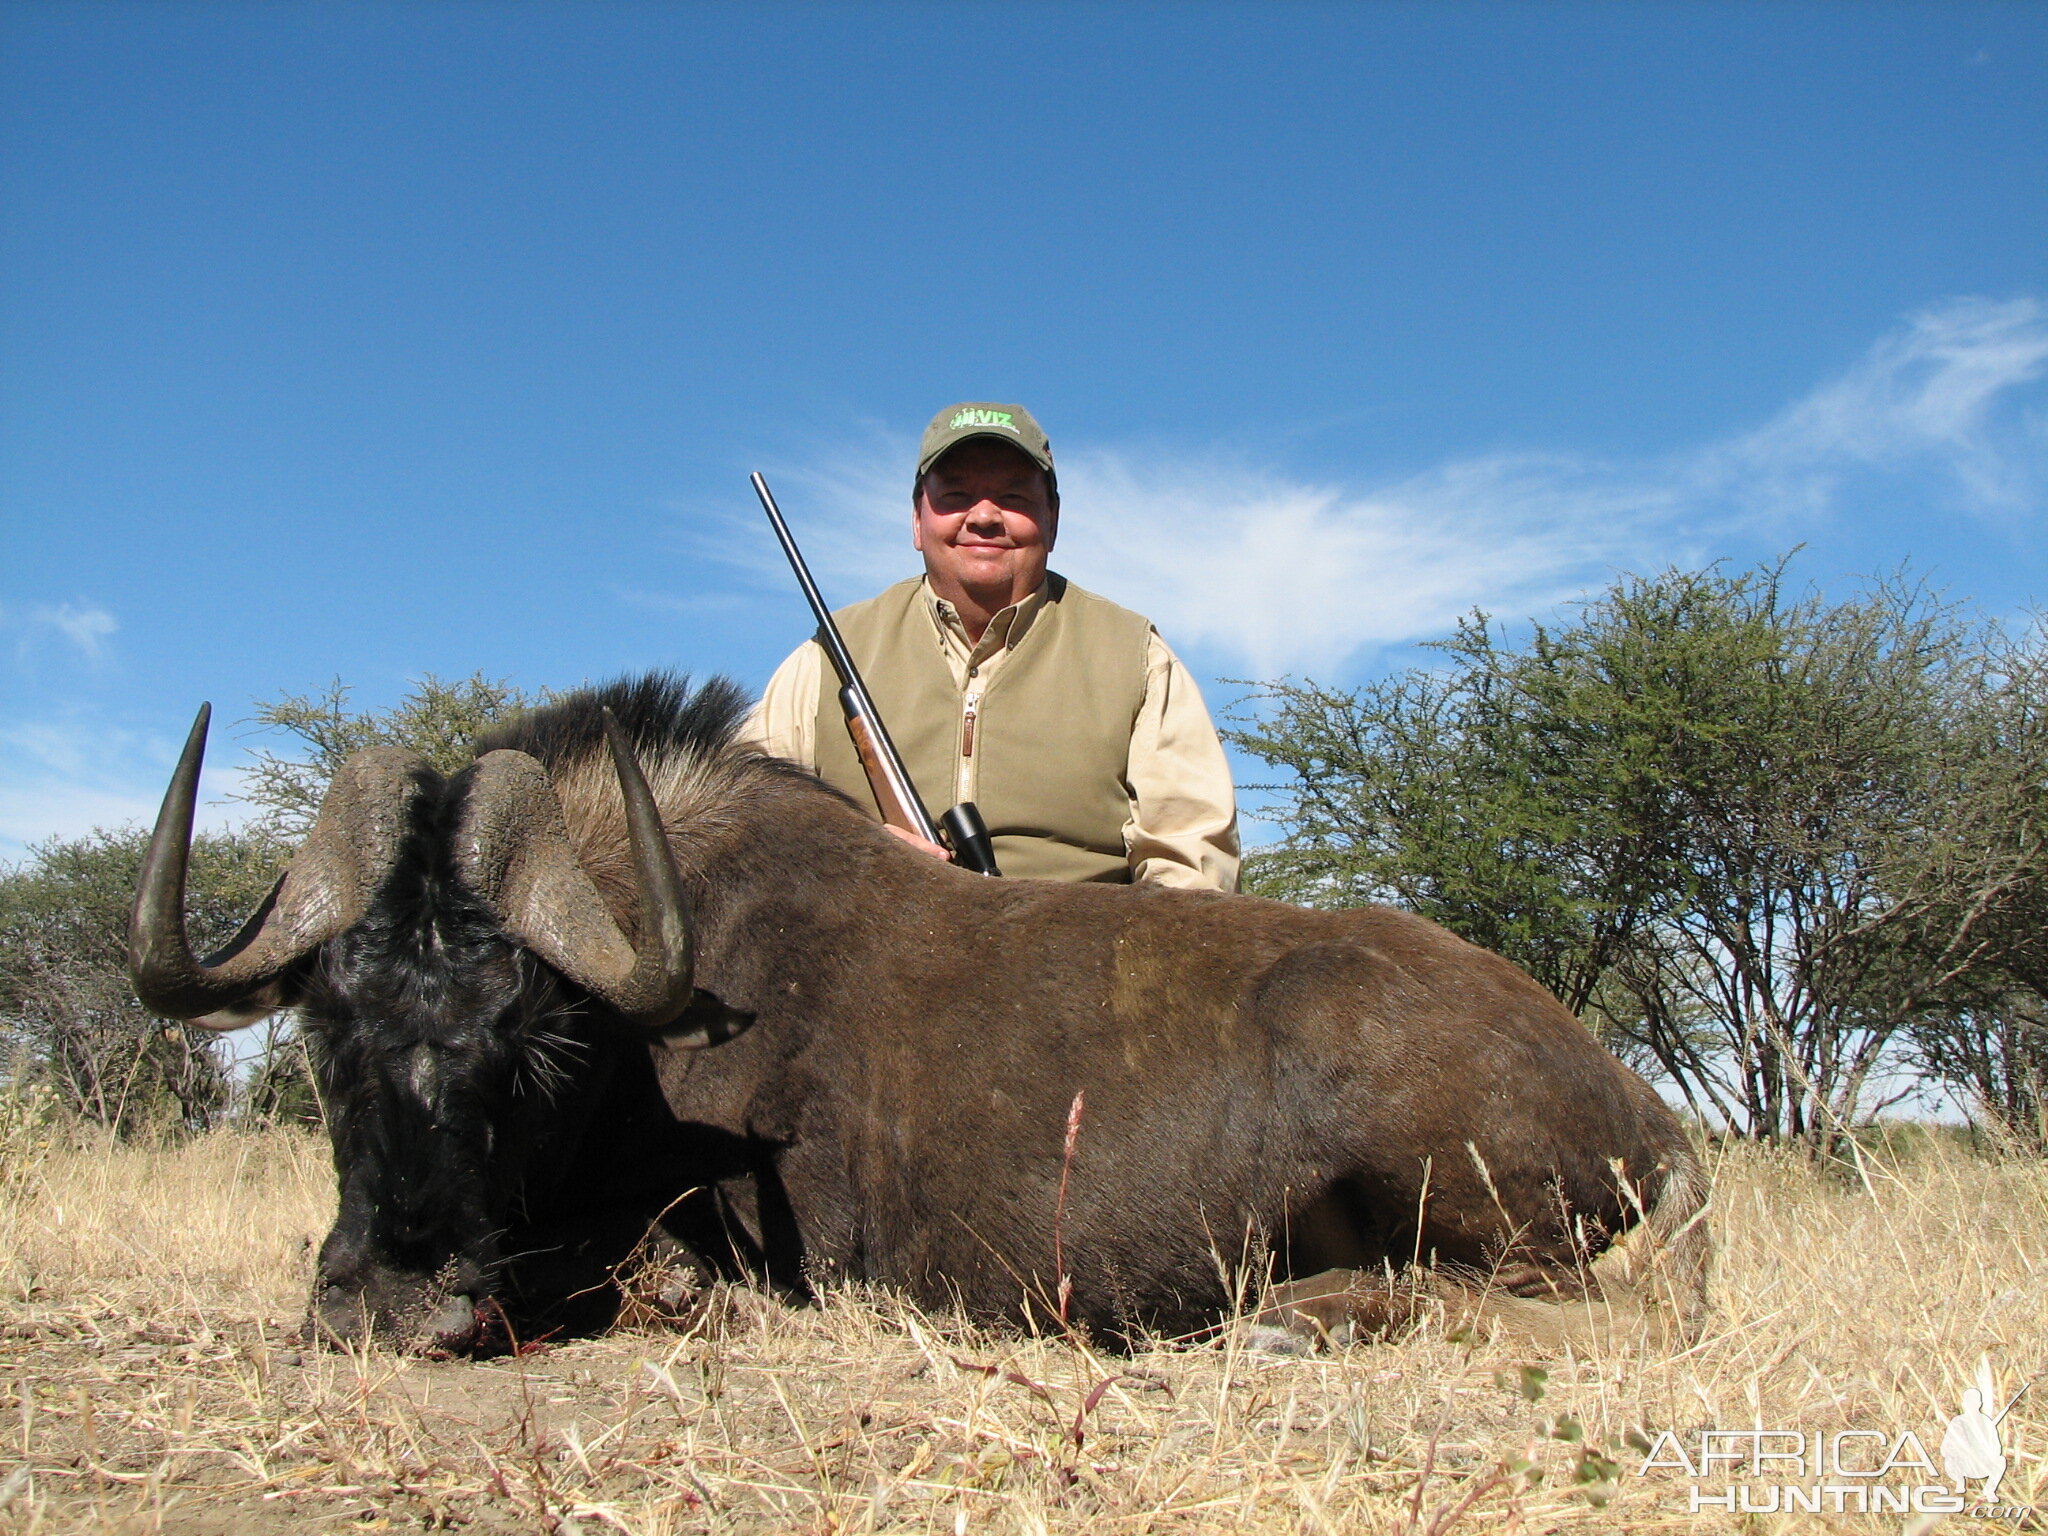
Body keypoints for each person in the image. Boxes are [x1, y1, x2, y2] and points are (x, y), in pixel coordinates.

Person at [746, 401, 1239, 890]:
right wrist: (852, 859)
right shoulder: (827, 656)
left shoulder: (1138, 657)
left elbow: (1192, 871)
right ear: (918, 520)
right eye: (956, 494)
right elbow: (739, 838)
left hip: (1077, 960)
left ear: (1052, 519)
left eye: (1014, 496)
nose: (983, 516)